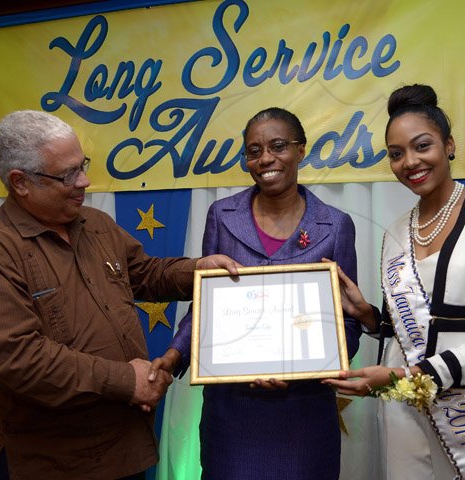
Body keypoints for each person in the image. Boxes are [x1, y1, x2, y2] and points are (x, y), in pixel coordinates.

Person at [0, 110, 239, 480]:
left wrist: (197, 270)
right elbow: (19, 359)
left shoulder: (95, 224)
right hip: (51, 461)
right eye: (67, 174)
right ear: (20, 182)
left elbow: (143, 273)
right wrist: (126, 381)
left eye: (82, 166)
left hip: (123, 447)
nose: (84, 182)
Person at [324, 84, 465, 479]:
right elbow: (416, 326)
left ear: (449, 145)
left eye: (422, 146)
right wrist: (370, 318)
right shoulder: (397, 233)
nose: (410, 162)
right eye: (396, 154)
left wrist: (407, 377)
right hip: (404, 413)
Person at [150, 107, 363, 479]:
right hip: (233, 412)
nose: (265, 158)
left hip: (304, 414)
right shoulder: (221, 215)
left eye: (278, 146)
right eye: (254, 150)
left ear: (300, 150)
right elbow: (205, 304)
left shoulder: (336, 225)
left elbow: (346, 323)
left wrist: (303, 370)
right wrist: (173, 356)